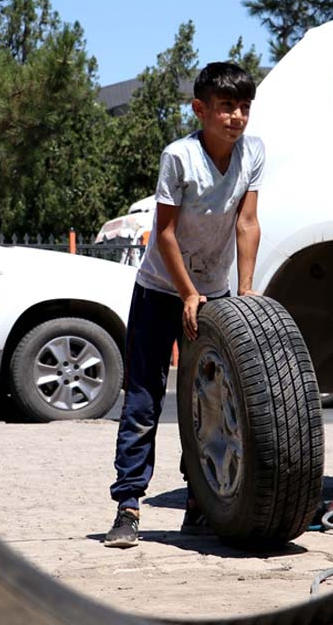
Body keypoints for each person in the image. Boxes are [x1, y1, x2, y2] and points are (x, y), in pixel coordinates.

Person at [103, 62, 264, 548]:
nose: (235, 117)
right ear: (201, 109)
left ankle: (200, 504)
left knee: (209, 403)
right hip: (160, 291)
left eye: (243, 107)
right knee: (143, 401)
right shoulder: (179, 156)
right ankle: (128, 507)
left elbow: (247, 223)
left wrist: (247, 288)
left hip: (213, 294)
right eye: (225, 107)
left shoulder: (252, 152)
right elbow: (165, 233)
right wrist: (186, 293)